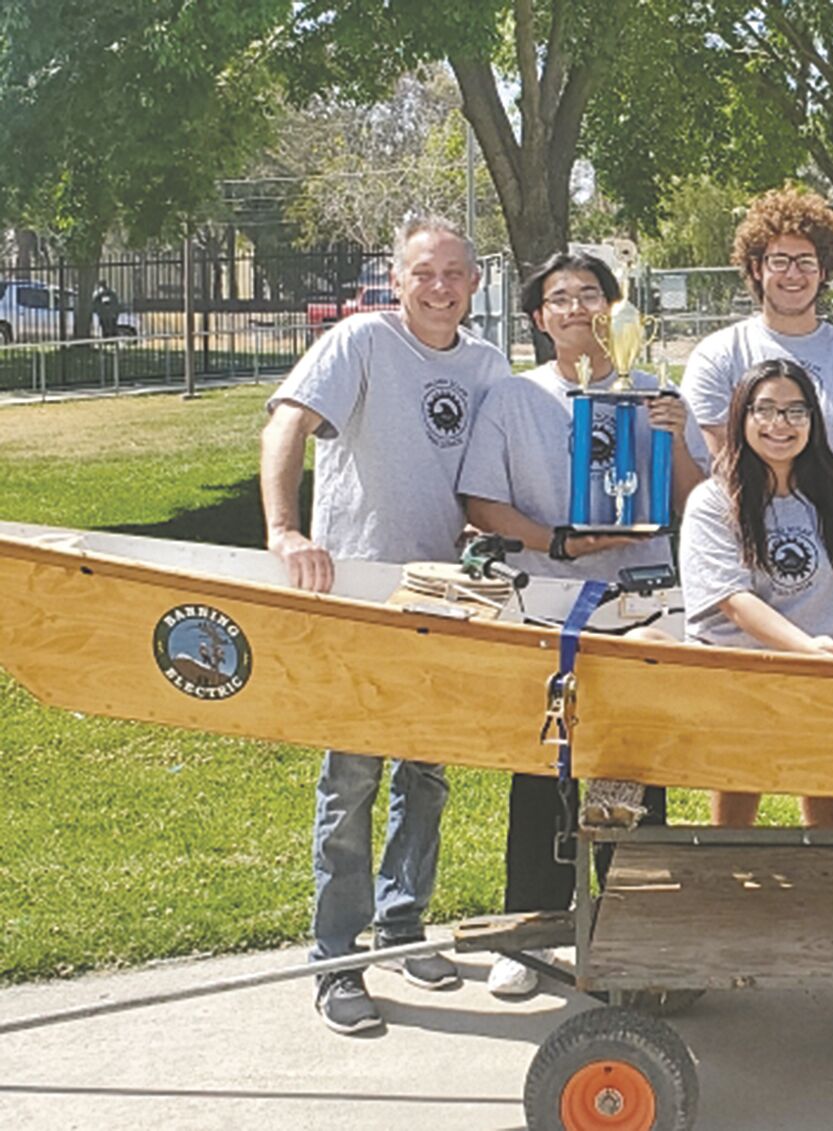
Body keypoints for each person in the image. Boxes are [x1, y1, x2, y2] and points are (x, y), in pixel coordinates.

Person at [261, 215, 509, 1034]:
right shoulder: (361, 343)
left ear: (475, 283)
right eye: (423, 273)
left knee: (426, 776)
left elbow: (488, 475)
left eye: (454, 274)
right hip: (357, 593)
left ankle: (404, 924)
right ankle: (336, 958)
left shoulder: (487, 363)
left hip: (440, 599)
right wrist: (285, 531)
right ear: (396, 280)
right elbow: (286, 423)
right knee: (352, 780)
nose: (440, 287)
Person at [457, 250, 708, 997]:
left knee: (635, 768)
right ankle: (531, 934)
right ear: (539, 318)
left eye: (589, 295)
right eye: (559, 298)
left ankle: (639, 934)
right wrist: (557, 540)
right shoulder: (512, 398)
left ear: (614, 311)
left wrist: (675, 434)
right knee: (544, 765)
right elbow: (482, 506)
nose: (574, 308)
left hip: (641, 599)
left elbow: (700, 501)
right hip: (547, 597)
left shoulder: (655, 390)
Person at [679, 359, 833, 829]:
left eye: (796, 411)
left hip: (824, 676)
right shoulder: (714, 501)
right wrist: (806, 648)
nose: (781, 424)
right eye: (766, 410)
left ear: (814, 422)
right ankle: (729, 868)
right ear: (742, 417)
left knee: (825, 790)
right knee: (738, 785)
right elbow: (734, 602)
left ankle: (827, 870)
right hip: (739, 675)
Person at [680, 187, 833, 463]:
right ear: (757, 268)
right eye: (779, 261)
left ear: (824, 271)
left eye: (806, 262)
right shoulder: (717, 355)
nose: (793, 274)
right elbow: (719, 465)